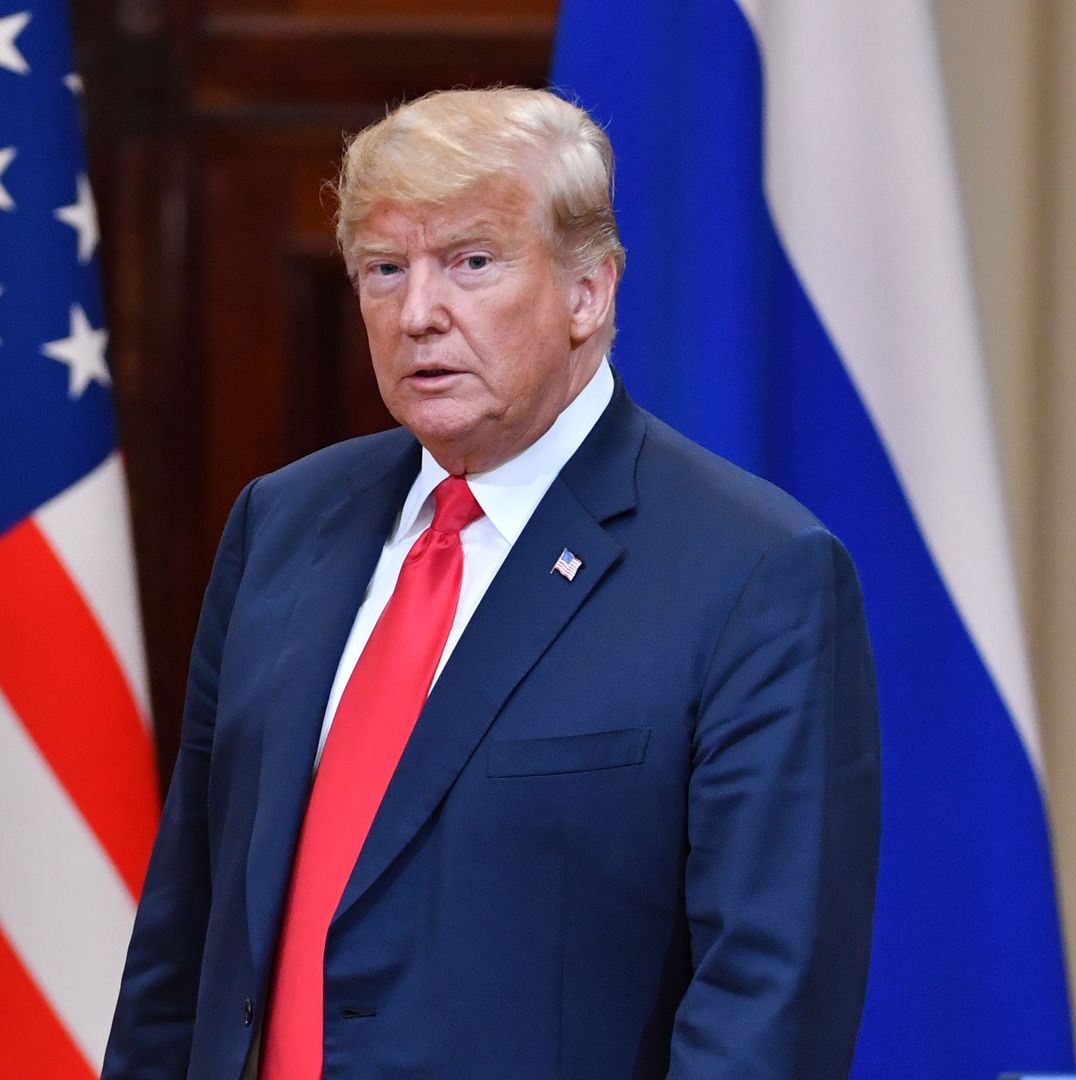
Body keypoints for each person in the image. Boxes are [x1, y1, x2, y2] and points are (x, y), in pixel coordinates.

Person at [103, 87, 881, 1080]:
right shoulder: (281, 525)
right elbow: (186, 929)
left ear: (590, 291)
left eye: (472, 263)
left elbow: (769, 1007)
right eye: (386, 270)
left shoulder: (754, 574)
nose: (419, 313)